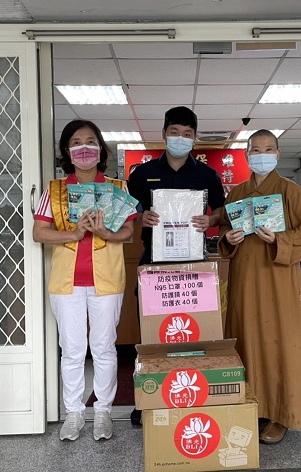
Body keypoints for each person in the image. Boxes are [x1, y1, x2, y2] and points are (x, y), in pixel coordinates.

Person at [218, 129, 301, 445]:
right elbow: (224, 226)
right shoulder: (236, 193)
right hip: (244, 283)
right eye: (255, 149)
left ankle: (282, 415)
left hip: (278, 283)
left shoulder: (290, 191)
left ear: (277, 154)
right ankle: (252, 408)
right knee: (246, 343)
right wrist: (227, 237)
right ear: (247, 155)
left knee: (280, 346)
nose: (262, 154)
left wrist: (281, 239)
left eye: (268, 149)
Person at [33, 119, 136, 442]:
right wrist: (73, 233)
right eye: (76, 142)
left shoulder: (118, 188)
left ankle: (103, 411)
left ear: (100, 148)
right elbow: (39, 232)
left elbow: (130, 230)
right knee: (73, 349)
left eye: (90, 141)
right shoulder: (55, 190)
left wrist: (107, 233)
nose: (84, 148)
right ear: (67, 151)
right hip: (67, 283)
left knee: (104, 348)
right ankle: (73, 413)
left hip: (107, 280)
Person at [127, 106, 226, 424]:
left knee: (195, 334)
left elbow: (222, 211)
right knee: (153, 338)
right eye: (174, 132)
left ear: (195, 138)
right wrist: (142, 217)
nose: (180, 138)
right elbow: (127, 214)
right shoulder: (142, 174)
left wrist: (209, 218)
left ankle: (194, 394)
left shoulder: (207, 175)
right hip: (154, 266)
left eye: (187, 134)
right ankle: (149, 399)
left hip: (195, 267)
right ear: (164, 133)